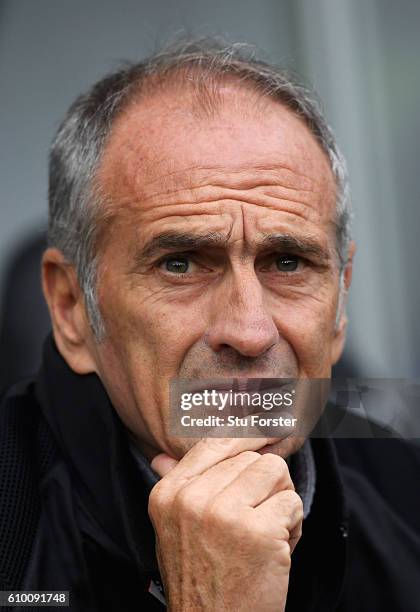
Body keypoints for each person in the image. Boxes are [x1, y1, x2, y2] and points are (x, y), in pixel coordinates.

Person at [1, 39, 419, 612]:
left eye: (288, 263)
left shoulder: (405, 494)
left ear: (340, 305)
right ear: (72, 309)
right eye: (180, 264)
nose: (249, 333)